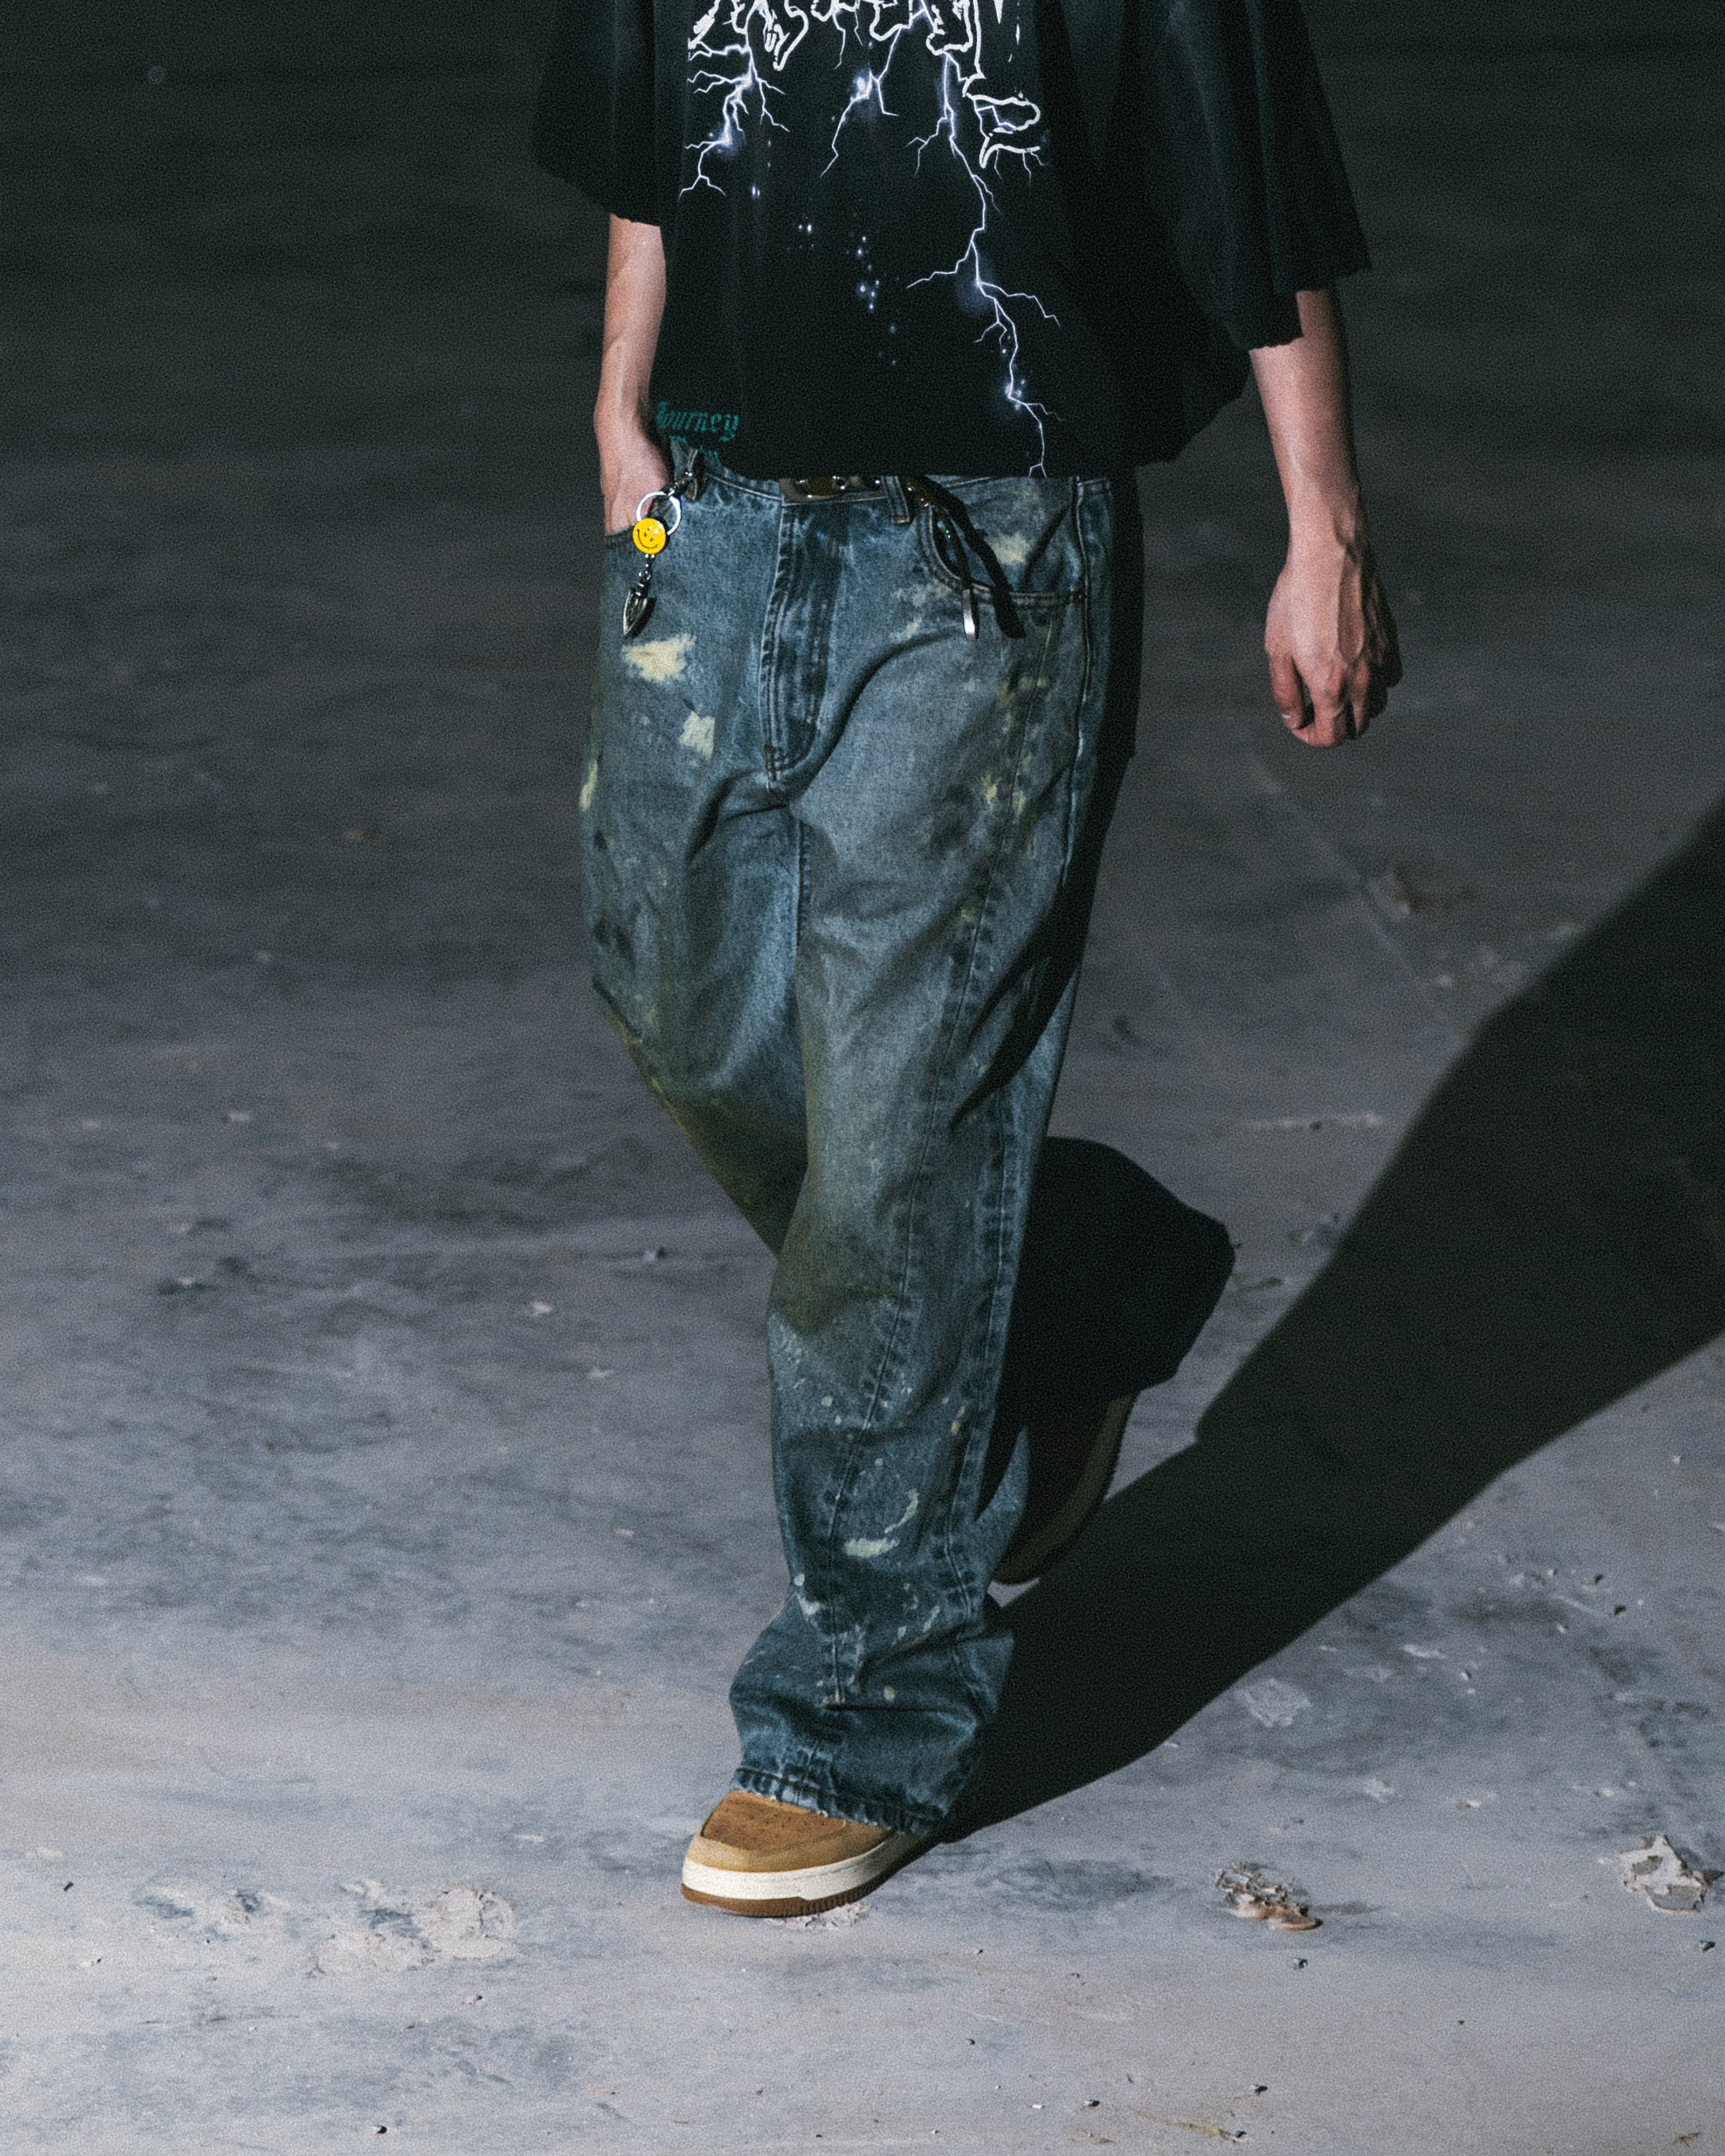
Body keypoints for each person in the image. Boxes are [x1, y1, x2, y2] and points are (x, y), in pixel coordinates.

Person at [532, 0, 1402, 1916]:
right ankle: (1063, 1293)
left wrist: (1323, 527)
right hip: (711, 516)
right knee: (678, 1006)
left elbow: (1247, 190)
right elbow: (652, 132)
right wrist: (620, 405)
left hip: (986, 558)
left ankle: (861, 1714)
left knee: (902, 1135)